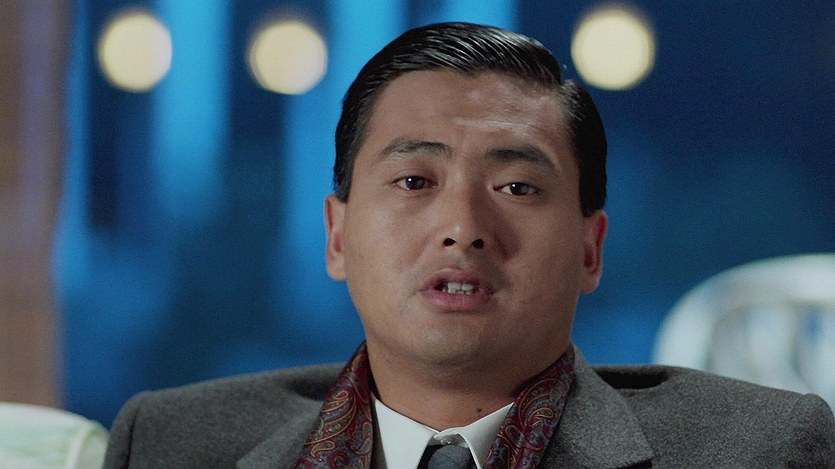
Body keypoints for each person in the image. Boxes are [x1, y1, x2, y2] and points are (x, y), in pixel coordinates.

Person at [103, 22, 835, 468]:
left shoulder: (759, 449)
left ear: (589, 248)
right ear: (337, 235)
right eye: (414, 180)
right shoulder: (171, 442)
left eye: (517, 186)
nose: (463, 226)